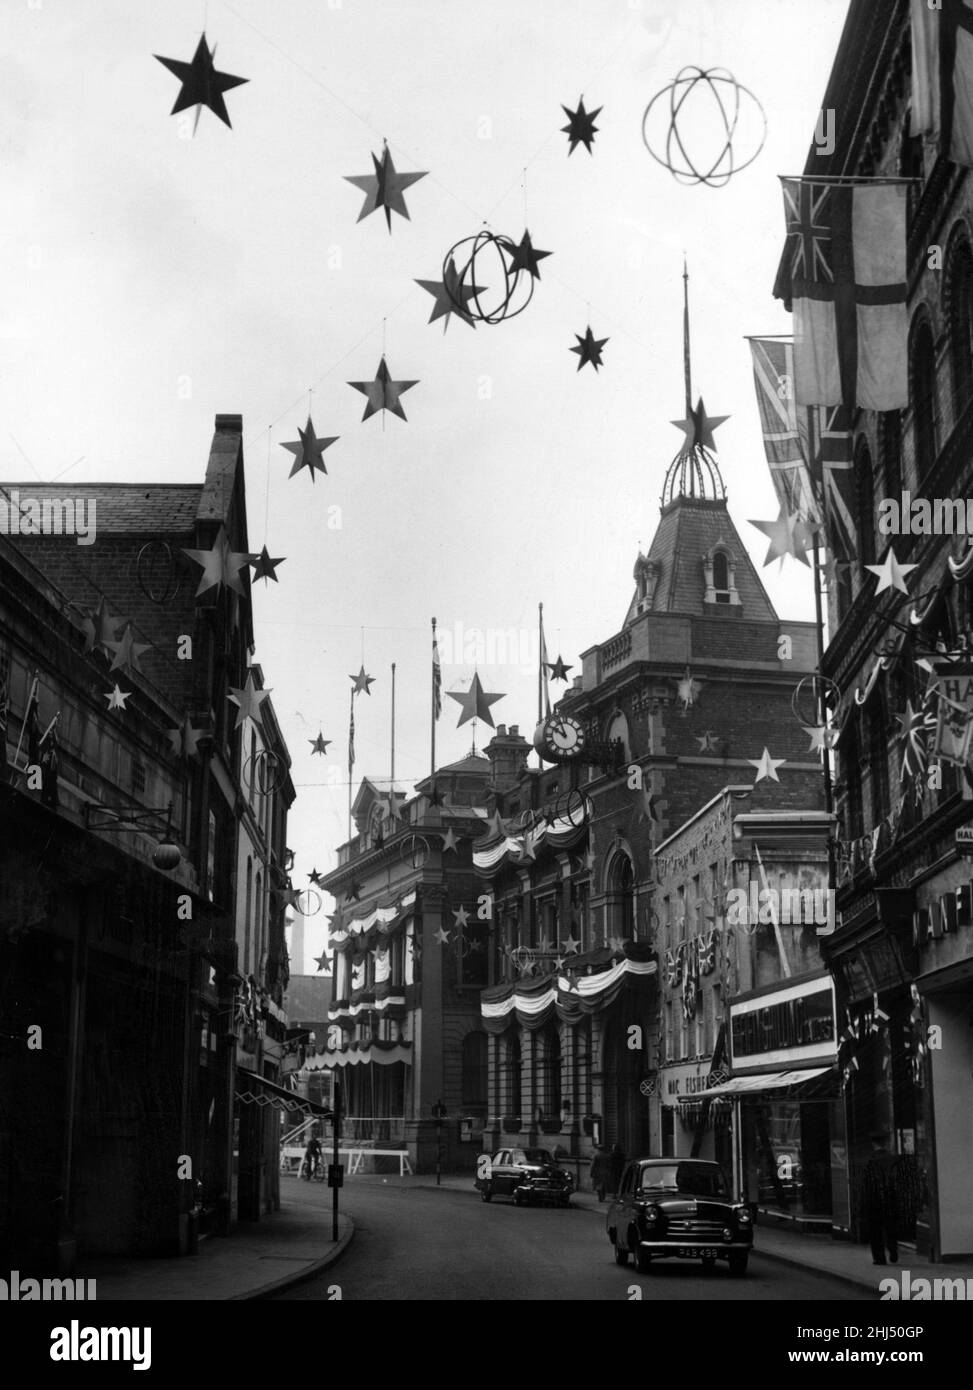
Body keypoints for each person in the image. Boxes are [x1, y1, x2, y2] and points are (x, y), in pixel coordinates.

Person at [861, 1130, 900, 1266]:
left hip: (874, 1199)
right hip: (891, 1198)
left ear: (873, 1144)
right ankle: (893, 1249)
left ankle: (879, 1258)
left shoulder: (870, 1160)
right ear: (885, 1143)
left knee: (875, 1230)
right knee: (890, 1226)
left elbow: (866, 1182)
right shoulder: (893, 1158)